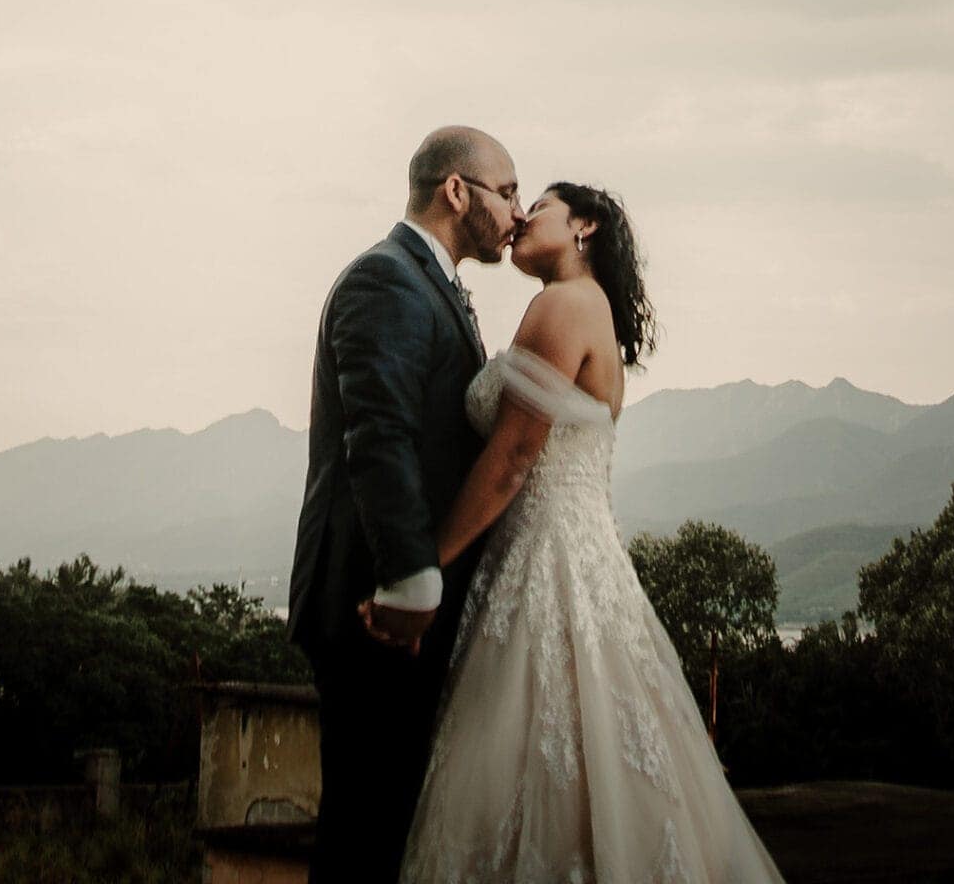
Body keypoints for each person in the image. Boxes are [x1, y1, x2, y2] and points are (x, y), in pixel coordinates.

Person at [395, 182, 788, 884]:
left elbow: (511, 461)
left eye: (538, 205)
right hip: (573, 552)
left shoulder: (563, 304)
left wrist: (423, 567)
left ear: (585, 226)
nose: (520, 215)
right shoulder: (590, 309)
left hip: (549, 560)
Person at [289, 123, 523, 884]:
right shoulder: (385, 279)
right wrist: (413, 582)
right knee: (365, 833)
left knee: (392, 828)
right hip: (377, 609)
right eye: (506, 192)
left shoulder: (427, 281)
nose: (517, 212)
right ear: (456, 190)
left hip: (403, 612)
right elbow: (379, 437)